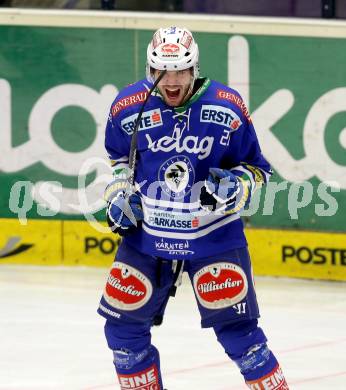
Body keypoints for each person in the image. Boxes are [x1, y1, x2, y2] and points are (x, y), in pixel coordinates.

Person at [98, 26, 289, 389]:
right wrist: (118, 195)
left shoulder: (227, 106)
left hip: (213, 236)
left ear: (194, 67)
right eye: (161, 72)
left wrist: (235, 186)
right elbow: (120, 160)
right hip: (148, 238)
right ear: (149, 69)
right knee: (122, 333)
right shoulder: (127, 107)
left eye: (180, 71)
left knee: (241, 338)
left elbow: (256, 169)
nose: (170, 81)